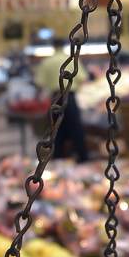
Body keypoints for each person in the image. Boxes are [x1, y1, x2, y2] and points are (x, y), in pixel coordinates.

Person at [32, 28, 88, 163]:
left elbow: (39, 83)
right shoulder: (71, 60)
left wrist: (38, 98)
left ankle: (58, 159)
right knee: (76, 129)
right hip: (70, 96)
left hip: (55, 98)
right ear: (64, 46)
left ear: (52, 46)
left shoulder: (47, 62)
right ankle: (82, 159)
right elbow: (83, 78)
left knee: (56, 131)